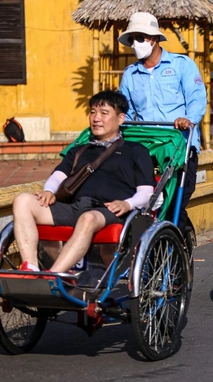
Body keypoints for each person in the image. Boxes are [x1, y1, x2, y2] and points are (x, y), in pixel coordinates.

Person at [12, 91, 155, 273]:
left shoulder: (136, 151)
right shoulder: (80, 150)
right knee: (22, 200)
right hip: (75, 207)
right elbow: (58, 176)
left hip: (109, 209)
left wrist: (127, 204)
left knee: (87, 219)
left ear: (120, 118)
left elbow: (146, 192)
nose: (96, 118)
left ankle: (54, 275)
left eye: (104, 113)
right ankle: (30, 268)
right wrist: (49, 190)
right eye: (93, 112)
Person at [118, 12, 206, 240]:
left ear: (153, 39)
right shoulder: (130, 75)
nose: (135, 44)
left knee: (176, 200)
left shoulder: (181, 65)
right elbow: (125, 112)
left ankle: (180, 235)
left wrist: (188, 119)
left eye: (139, 38)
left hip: (179, 146)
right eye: (132, 39)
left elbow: (197, 99)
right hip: (146, 148)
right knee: (145, 200)